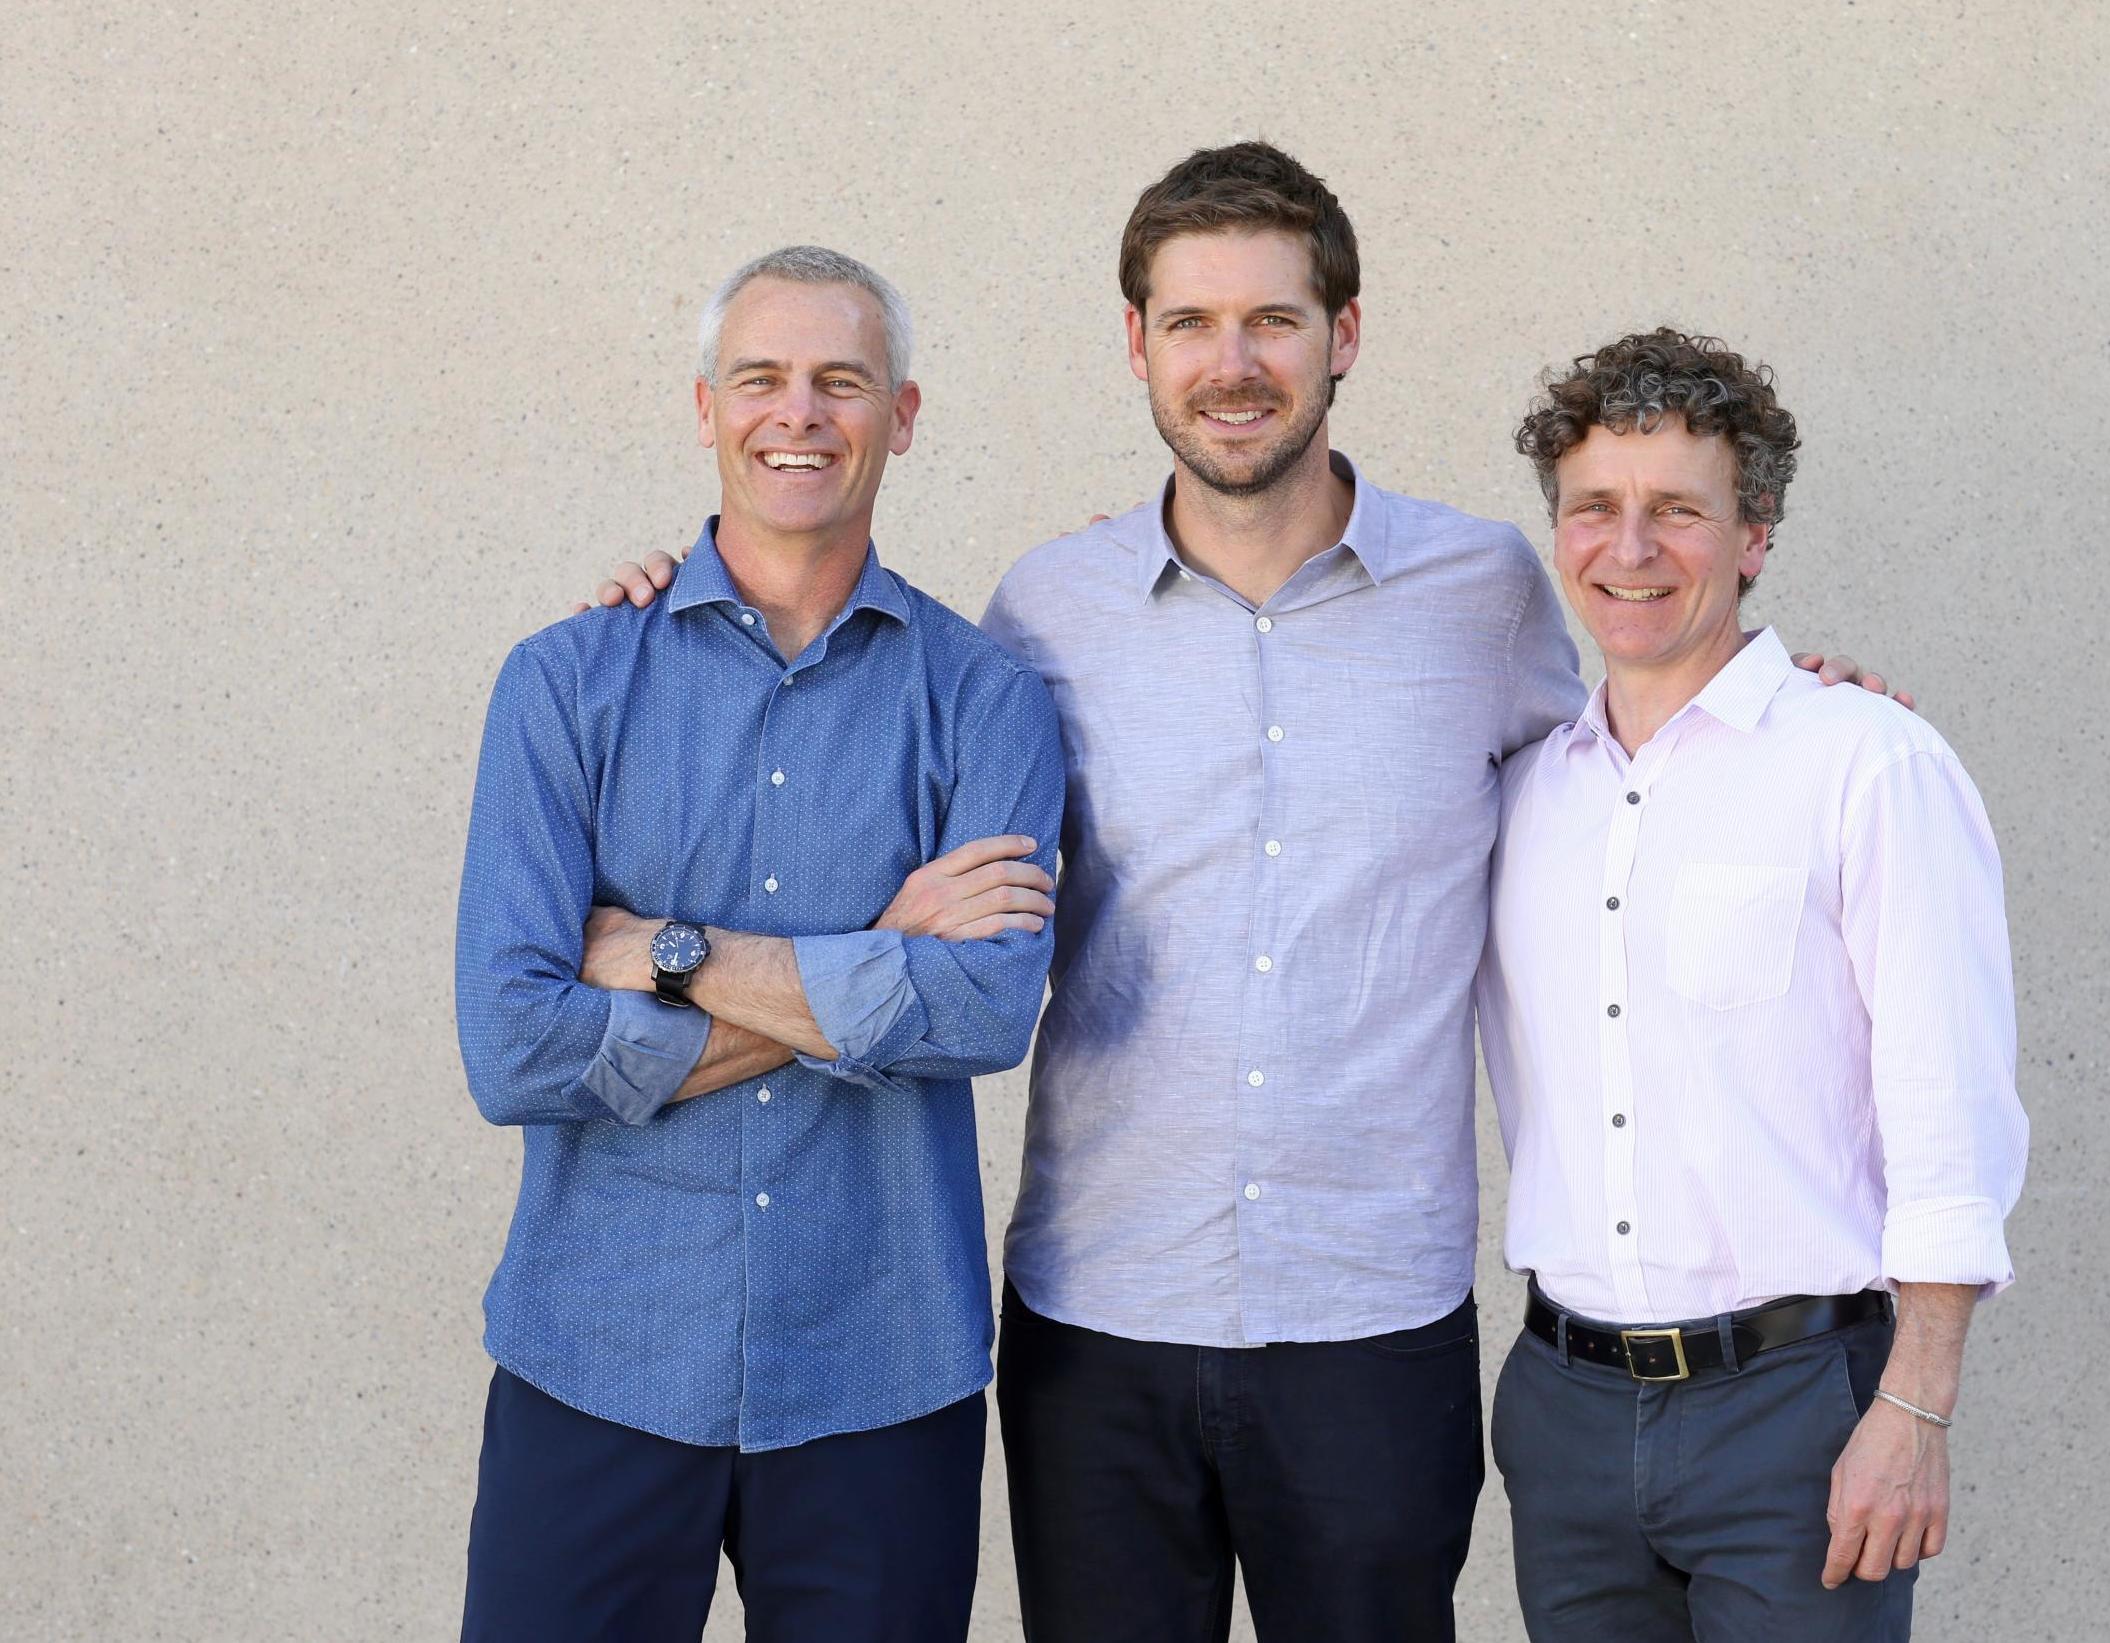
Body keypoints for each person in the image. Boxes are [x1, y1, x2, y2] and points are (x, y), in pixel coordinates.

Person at [587, 147, 1896, 1643]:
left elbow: (1634, 773)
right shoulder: (1046, 610)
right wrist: (673, 598)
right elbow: (874, 802)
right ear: (1134, 346)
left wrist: (1791, 708)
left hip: (1371, 1322)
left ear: (1342, 336)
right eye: (1190, 323)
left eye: (1270, 321)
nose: (1231, 364)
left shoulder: (1482, 595)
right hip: (1099, 1320)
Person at [454, 245, 1064, 1642]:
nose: (799, 413)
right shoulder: (566, 682)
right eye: (763, 378)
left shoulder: (983, 701)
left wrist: (659, 951)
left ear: (900, 416)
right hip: (597, 1353)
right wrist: (873, 959)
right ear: (705, 406)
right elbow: (513, 1049)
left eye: (840, 381)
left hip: (878, 1369)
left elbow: (976, 1014)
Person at [1474, 328, 2029, 1641]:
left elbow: (1948, 1113)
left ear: (1753, 534)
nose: (1629, 549)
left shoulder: (1867, 766)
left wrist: (1914, 1406)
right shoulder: (1517, 796)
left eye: (1677, 511)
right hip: (1560, 1408)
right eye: (1593, 510)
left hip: (1792, 1411)